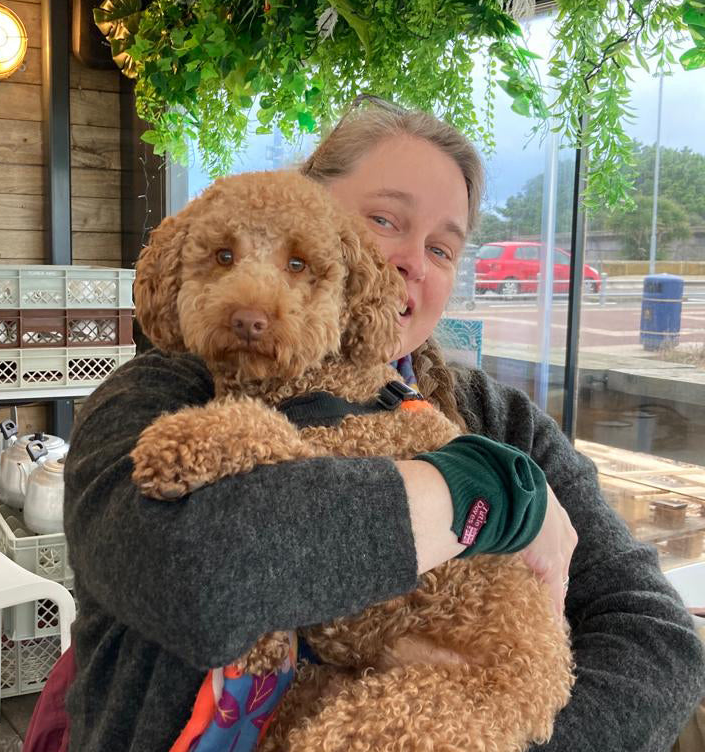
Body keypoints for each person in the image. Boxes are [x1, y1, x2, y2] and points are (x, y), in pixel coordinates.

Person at [50, 99, 703, 752]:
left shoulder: (502, 424)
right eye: (384, 220)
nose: (411, 260)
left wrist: (481, 735)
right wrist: (472, 491)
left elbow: (657, 637)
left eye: (442, 247)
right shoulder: (154, 397)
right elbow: (196, 581)